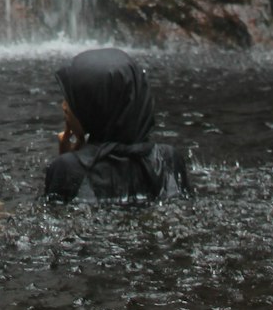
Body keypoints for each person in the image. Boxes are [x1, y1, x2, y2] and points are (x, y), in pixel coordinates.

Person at [45, 46, 191, 204]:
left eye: (74, 99)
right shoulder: (168, 159)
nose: (64, 106)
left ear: (95, 107)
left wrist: (69, 161)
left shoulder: (67, 168)